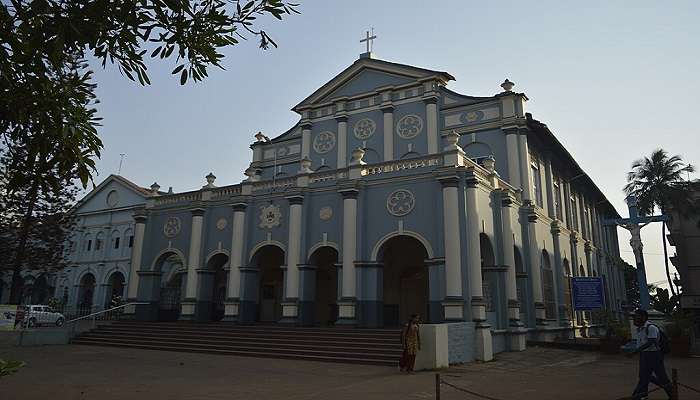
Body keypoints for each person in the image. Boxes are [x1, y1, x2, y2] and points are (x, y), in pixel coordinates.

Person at [629, 309, 672, 400]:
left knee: (661, 377)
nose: (634, 319)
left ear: (644, 317)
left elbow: (651, 342)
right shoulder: (640, 329)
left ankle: (672, 393)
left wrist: (635, 352)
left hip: (654, 355)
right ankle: (640, 396)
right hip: (644, 355)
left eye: (637, 316)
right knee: (644, 377)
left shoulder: (651, 328)